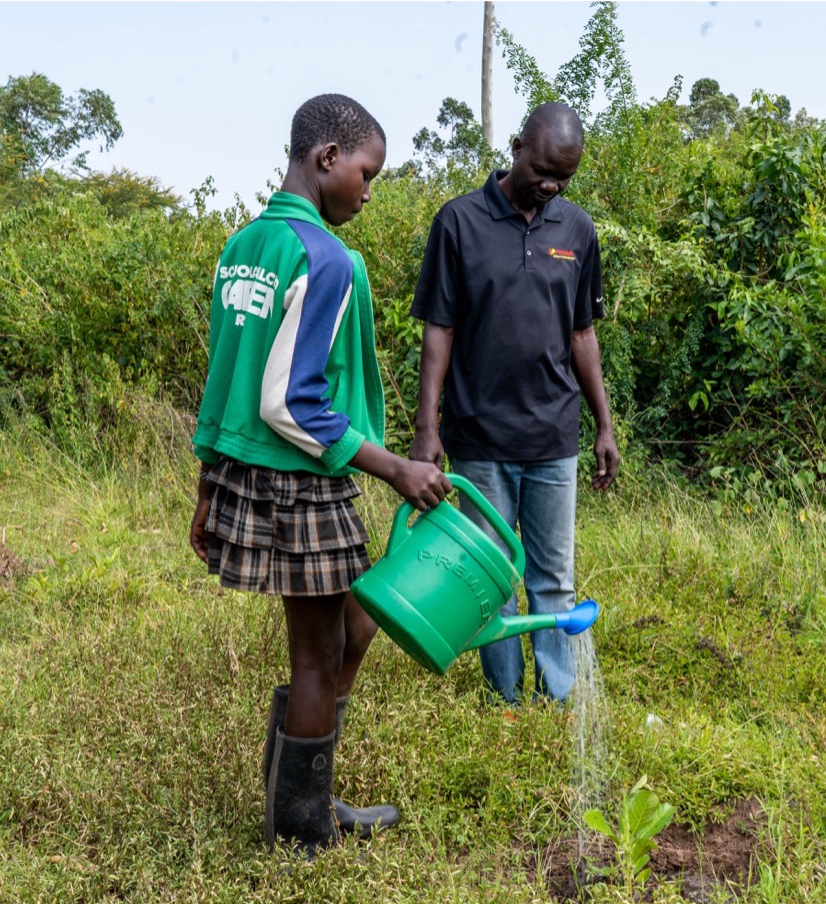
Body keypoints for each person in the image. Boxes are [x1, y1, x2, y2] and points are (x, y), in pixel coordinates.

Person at [188, 94, 451, 858]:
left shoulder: (244, 243)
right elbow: (288, 401)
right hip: (300, 477)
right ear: (327, 159)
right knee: (318, 650)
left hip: (247, 473)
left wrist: (208, 484)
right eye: (368, 173)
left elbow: (222, 377)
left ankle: (298, 789)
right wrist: (395, 466)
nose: (370, 191)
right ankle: (301, 828)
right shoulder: (325, 257)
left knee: (352, 624)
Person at [408, 102, 619, 705]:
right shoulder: (459, 222)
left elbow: (582, 334)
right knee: (493, 578)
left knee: (553, 580)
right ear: (518, 146)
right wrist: (428, 429)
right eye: (545, 170)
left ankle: (558, 699)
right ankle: (505, 701)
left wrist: (603, 424)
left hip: (554, 438)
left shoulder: (577, 230)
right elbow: (438, 330)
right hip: (479, 438)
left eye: (565, 177)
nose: (551, 186)